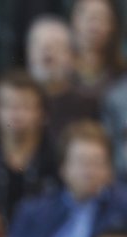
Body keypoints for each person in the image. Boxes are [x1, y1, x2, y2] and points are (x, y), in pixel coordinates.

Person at [0, 70, 61, 226]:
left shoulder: (59, 164)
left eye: (25, 106)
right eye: (8, 105)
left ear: (43, 113)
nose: (16, 114)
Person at [25, 15, 100, 146]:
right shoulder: (14, 99)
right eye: (39, 45)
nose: (46, 50)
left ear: (71, 57)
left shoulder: (87, 105)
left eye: (56, 45)